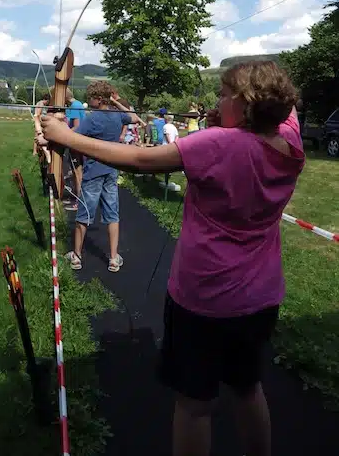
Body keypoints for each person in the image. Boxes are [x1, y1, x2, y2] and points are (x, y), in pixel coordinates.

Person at [41, 61, 304, 456]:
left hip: (204, 299)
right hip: (260, 299)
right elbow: (284, 114)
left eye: (224, 95)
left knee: (195, 406)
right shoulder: (290, 143)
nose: (217, 101)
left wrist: (64, 136)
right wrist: (231, 119)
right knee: (248, 389)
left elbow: (141, 161)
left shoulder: (218, 144)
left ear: (247, 105)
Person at [58, 81, 141, 273]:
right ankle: (113, 258)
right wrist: (116, 102)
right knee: (112, 214)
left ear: (99, 99)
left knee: (85, 214)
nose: (88, 100)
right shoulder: (117, 116)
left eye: (91, 97)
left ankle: (77, 257)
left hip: (94, 173)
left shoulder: (92, 119)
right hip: (111, 172)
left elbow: (71, 138)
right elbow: (135, 118)